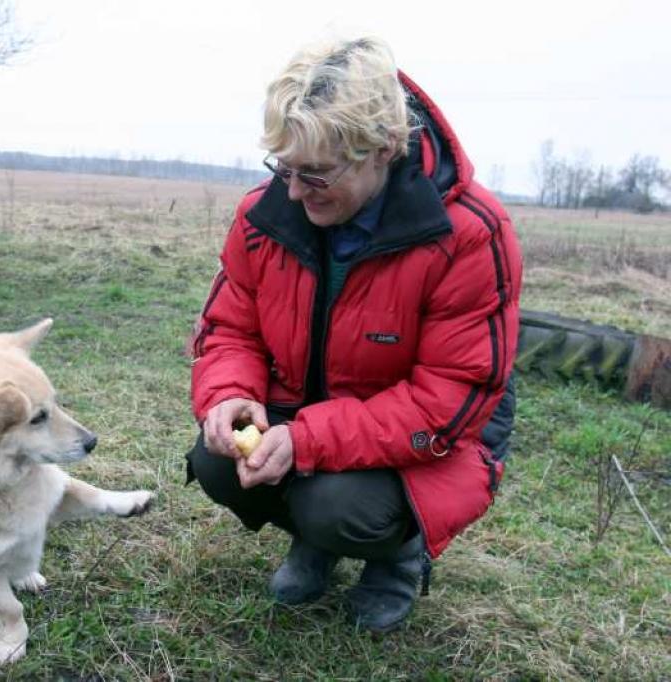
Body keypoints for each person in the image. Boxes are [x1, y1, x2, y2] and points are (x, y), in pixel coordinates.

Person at [186, 36, 522, 633]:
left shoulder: (469, 233)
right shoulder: (264, 214)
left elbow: (450, 398)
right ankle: (315, 539)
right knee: (215, 463)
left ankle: (393, 557)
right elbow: (230, 327)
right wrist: (227, 395)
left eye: (314, 174)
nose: (291, 193)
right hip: (317, 409)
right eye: (284, 168)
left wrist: (307, 440)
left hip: (438, 437)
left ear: (383, 150)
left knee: (335, 505)